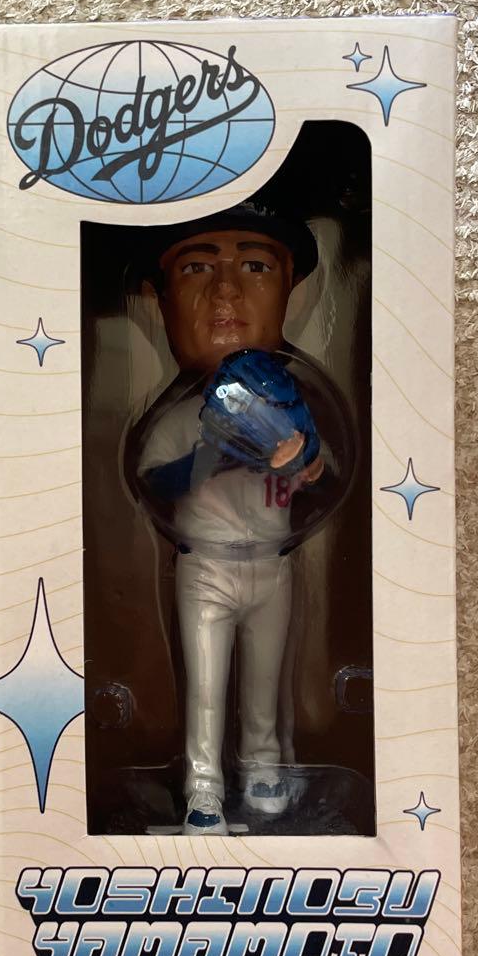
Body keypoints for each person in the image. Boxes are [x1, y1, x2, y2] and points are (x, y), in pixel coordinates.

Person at [128, 200, 343, 836]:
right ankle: (203, 791)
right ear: (159, 300)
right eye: (198, 268)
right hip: (208, 568)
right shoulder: (181, 415)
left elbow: (328, 480)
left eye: (254, 266)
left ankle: (264, 769)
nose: (226, 290)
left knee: (265, 680)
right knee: (205, 687)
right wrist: (214, 453)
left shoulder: (291, 412)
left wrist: (306, 466)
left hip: (274, 564)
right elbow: (152, 483)